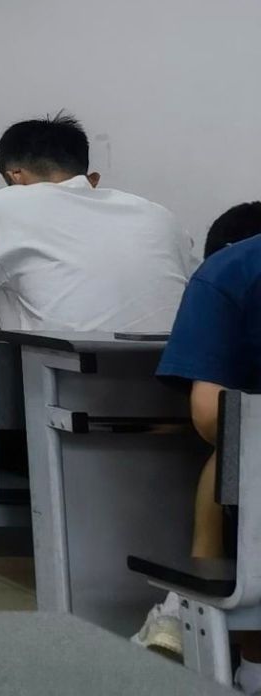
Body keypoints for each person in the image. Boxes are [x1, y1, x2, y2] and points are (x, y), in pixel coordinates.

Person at [0, 113, 196, 610]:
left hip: (65, 425)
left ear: (14, 174)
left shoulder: (3, 207)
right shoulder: (157, 215)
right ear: (86, 173)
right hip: (178, 425)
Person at [142, 203, 261, 661]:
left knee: (238, 439)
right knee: (240, 437)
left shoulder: (232, 269)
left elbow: (213, 418)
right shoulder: (234, 271)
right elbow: (216, 418)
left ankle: (187, 603)